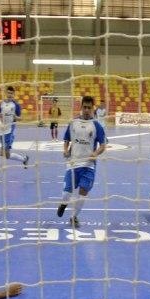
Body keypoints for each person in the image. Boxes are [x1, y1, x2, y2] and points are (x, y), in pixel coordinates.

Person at [56, 96, 106, 228]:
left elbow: (103, 145)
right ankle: (63, 203)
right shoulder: (73, 123)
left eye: (89, 107)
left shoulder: (96, 125)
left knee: (83, 192)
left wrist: (96, 153)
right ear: (81, 107)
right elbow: (66, 139)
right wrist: (65, 149)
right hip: (73, 163)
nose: (87, 110)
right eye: (85, 107)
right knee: (67, 193)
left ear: (92, 108)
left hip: (88, 166)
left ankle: (74, 217)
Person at [0, 85, 29, 184]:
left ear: (14, 94)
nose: (9, 94)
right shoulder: (1, 103)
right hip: (2, 131)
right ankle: (24, 159)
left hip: (10, 132)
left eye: (11, 93)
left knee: (2, 153)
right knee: (6, 155)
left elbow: (20, 118)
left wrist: (15, 117)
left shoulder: (16, 105)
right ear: (6, 93)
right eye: (8, 93)